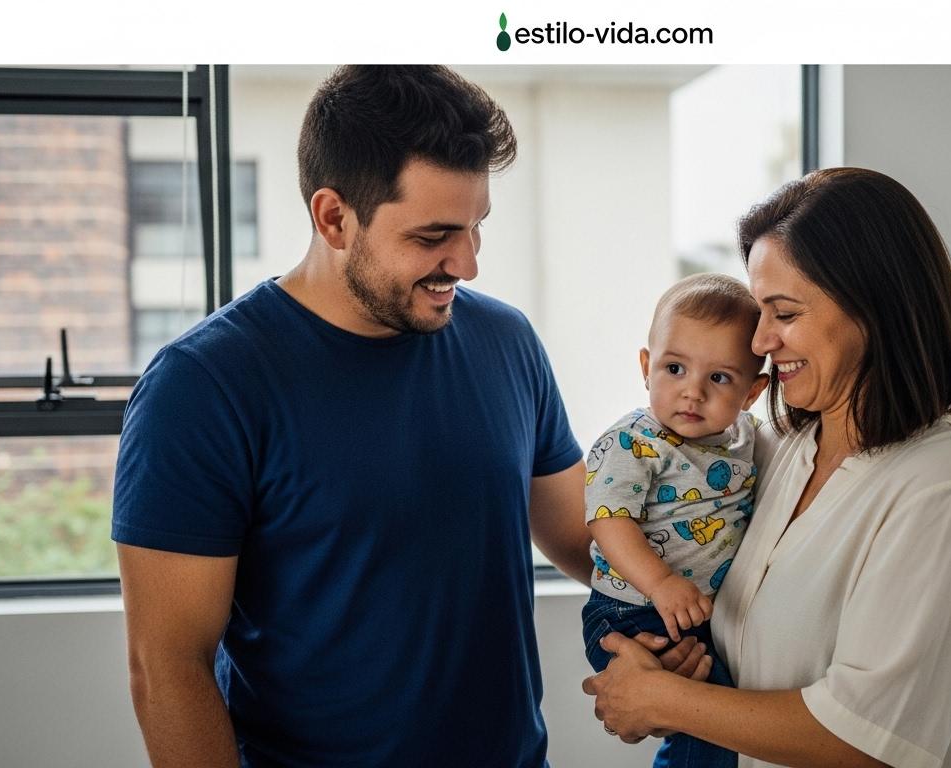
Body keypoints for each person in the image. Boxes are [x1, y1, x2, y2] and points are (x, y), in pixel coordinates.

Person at [111, 65, 597, 767]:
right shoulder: (204, 386)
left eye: (475, 227)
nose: (466, 263)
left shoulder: (507, 342)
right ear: (334, 218)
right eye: (433, 237)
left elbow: (583, 537)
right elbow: (168, 668)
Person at [583, 167, 951, 768]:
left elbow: (868, 741)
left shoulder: (939, 492)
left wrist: (667, 701)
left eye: (782, 313)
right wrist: (678, 668)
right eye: (759, 312)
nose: (758, 342)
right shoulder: (776, 450)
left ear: (872, 306)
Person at [582, 273, 769, 767]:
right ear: (646, 367)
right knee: (709, 723)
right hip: (629, 611)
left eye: (720, 378)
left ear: (752, 393)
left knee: (713, 719)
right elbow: (608, 520)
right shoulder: (632, 443)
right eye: (675, 368)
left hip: (697, 616)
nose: (693, 393)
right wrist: (661, 584)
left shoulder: (747, 436)